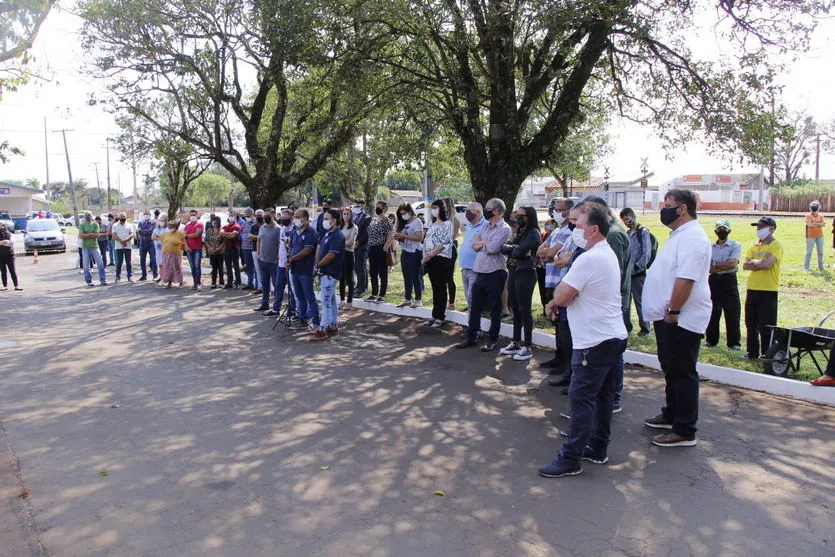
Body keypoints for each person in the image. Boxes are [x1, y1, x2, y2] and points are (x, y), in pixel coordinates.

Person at [538, 202, 628, 478]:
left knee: (581, 398)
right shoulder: (604, 253)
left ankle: (571, 458)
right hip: (611, 336)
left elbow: (564, 294)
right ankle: (598, 447)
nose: (574, 229)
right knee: (601, 398)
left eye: (578, 225)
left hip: (594, 341)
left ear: (593, 230)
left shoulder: (589, 258)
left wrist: (553, 302)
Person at [642, 189, 712, 448]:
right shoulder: (680, 235)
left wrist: (674, 311)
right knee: (671, 368)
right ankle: (671, 414)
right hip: (670, 315)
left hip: (681, 317)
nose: (664, 209)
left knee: (682, 372)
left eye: (668, 205)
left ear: (682, 209)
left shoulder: (693, 237)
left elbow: (686, 279)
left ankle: (684, 430)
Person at [457, 198, 511, 351]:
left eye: (488, 208)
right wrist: (483, 243)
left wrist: (482, 244)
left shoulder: (505, 228)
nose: (486, 210)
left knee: (495, 308)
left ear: (496, 211)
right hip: (480, 271)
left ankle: (492, 340)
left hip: (496, 272)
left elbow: (494, 248)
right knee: (474, 306)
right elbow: (472, 244)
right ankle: (472, 337)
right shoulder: (486, 226)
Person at [499, 206, 541, 361]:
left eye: (520, 215)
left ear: (528, 216)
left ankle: (527, 346)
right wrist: (516, 249)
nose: (516, 218)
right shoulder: (518, 231)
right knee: (514, 308)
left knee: (525, 309)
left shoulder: (533, 233)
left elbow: (518, 251)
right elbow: (503, 247)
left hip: (526, 273)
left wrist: (516, 249)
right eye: (516, 215)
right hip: (514, 271)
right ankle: (516, 341)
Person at [538, 198, 574, 369]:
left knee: (562, 323)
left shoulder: (569, 232)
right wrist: (548, 253)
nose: (556, 213)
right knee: (556, 323)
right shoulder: (557, 230)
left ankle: (565, 362)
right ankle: (559, 357)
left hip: (561, 281)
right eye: (555, 209)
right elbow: (540, 251)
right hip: (549, 279)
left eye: (560, 210)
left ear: (569, 211)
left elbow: (552, 254)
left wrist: (549, 253)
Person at [742, 216, 783, 359]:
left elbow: (767, 264)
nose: (758, 230)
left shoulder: (776, 245)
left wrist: (755, 263)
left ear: (771, 229)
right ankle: (752, 353)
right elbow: (745, 265)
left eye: (761, 227)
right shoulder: (754, 245)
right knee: (750, 323)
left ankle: (767, 354)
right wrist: (758, 263)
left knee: (767, 326)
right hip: (752, 288)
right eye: (757, 227)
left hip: (768, 290)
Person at [705, 219, 742, 350]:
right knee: (713, 311)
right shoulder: (710, 247)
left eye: (724, 229)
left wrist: (716, 265)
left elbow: (732, 264)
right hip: (714, 280)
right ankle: (711, 340)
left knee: (732, 311)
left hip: (729, 280)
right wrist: (722, 265)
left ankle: (734, 343)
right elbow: (707, 268)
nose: (722, 231)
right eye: (719, 229)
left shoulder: (735, 245)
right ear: (715, 231)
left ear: (729, 230)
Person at [311, 209, 345, 340]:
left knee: (325, 302)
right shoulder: (327, 234)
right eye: (324, 218)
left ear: (334, 220)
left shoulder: (337, 235)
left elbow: (331, 255)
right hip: (325, 272)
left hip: (331, 272)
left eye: (327, 218)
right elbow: (320, 250)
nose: (324, 221)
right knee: (330, 300)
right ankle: (332, 325)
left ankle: (322, 329)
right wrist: (317, 264)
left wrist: (318, 265)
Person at [422, 199, 456, 326]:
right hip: (430, 259)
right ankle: (434, 314)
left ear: (442, 209)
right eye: (433, 207)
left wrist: (430, 255)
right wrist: (425, 255)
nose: (434, 210)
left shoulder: (447, 224)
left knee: (441, 288)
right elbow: (426, 242)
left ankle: (440, 316)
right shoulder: (431, 225)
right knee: (435, 288)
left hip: (441, 259)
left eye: (436, 207)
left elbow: (444, 243)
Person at [620, 207, 652, 336]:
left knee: (640, 301)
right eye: (624, 220)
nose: (627, 222)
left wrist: (637, 267)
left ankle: (645, 328)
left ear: (633, 217)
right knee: (626, 301)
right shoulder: (627, 233)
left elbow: (646, 254)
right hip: (627, 273)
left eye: (628, 219)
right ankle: (626, 326)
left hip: (638, 273)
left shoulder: (643, 232)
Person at [287, 209, 319, 327]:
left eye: (297, 217)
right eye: (294, 217)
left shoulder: (311, 232)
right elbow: (290, 248)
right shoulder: (294, 231)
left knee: (309, 296)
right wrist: (289, 260)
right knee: (299, 296)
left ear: (305, 218)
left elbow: (307, 250)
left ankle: (316, 321)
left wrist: (292, 259)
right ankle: (302, 319)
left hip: (306, 269)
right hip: (295, 269)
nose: (295, 219)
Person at [394, 203, 425, 308]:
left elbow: (419, 238)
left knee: (415, 276)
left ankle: (418, 300)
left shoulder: (417, 222)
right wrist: (398, 237)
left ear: (410, 211)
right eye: (401, 214)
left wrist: (405, 236)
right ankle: (407, 299)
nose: (403, 215)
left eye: (404, 213)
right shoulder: (403, 222)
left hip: (415, 252)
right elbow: (401, 235)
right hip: (405, 251)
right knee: (406, 276)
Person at [459, 202, 487, 309]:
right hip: (464, 267)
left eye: (469, 211)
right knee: (468, 297)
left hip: (475, 268)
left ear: (478, 212)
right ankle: (471, 321)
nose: (467, 213)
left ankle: (474, 322)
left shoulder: (486, 226)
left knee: (473, 297)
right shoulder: (469, 225)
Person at [364, 201, 394, 303]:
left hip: (381, 248)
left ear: (384, 209)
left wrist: (384, 249)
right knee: (373, 272)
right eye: (377, 207)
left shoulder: (387, 221)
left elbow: (390, 236)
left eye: (380, 207)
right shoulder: (373, 220)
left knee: (382, 272)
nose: (378, 209)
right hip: (372, 248)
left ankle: (382, 295)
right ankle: (374, 293)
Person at [255, 209, 282, 314]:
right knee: (264, 283)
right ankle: (264, 304)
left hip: (274, 261)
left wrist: (278, 258)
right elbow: (259, 240)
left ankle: (276, 307)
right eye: (264, 214)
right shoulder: (262, 227)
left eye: (268, 214)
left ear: (273, 215)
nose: (265, 216)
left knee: (276, 284)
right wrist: (258, 253)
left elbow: (281, 245)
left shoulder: (278, 229)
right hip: (262, 260)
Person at [440, 197, 459, 310]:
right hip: (438, 251)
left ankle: (451, 303)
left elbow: (451, 238)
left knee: (449, 278)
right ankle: (442, 301)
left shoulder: (455, 220)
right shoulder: (438, 219)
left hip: (449, 251)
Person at [78, 211, 107, 287]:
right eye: (86, 215)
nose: (88, 216)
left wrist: (86, 235)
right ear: (84, 216)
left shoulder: (95, 224)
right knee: (86, 266)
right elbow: (81, 236)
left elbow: (97, 235)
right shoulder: (82, 225)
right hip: (85, 247)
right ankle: (89, 281)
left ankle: (103, 279)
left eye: (89, 215)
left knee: (100, 263)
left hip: (94, 246)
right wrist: (91, 234)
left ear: (92, 216)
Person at [339, 207, 358, 309]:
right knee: (341, 278)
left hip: (349, 254)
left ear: (351, 215)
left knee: (349, 278)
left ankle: (349, 301)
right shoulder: (340, 227)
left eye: (347, 214)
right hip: (340, 254)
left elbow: (351, 243)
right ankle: (342, 300)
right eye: (344, 214)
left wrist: (341, 243)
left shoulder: (354, 227)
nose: (345, 216)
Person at [352, 201, 371, 298]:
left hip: (363, 247)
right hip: (354, 247)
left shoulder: (367, 218)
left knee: (361, 267)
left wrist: (358, 243)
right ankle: (359, 285)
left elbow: (366, 234)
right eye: (355, 205)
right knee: (356, 267)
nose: (355, 207)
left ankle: (362, 289)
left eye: (358, 206)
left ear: (363, 206)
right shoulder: (354, 217)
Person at [160, 219, 186, 288]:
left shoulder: (180, 234)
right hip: (166, 253)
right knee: (168, 268)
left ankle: (181, 282)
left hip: (175, 254)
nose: (170, 228)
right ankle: (169, 282)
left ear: (176, 227)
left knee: (177, 267)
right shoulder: (166, 234)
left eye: (172, 227)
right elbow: (162, 241)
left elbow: (183, 243)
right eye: (169, 227)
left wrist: (182, 248)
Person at [220, 213, 242, 289]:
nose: (231, 217)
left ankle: (238, 282)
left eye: (232, 216)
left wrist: (225, 234)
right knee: (228, 266)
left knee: (236, 266)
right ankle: (229, 282)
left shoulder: (237, 226)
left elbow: (233, 236)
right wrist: (228, 234)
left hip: (234, 249)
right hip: (227, 249)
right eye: (230, 216)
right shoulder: (226, 226)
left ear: (236, 217)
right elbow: (220, 233)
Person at [184, 209, 204, 290]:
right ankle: (195, 283)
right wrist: (186, 246)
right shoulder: (187, 225)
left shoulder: (200, 224)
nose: (192, 216)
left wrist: (187, 235)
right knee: (192, 267)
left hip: (197, 248)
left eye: (194, 215)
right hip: (189, 248)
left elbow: (196, 234)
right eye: (191, 215)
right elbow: (183, 237)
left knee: (197, 266)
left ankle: (198, 283)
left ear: (197, 216)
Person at [239, 208, 259, 290]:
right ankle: (250, 283)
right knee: (249, 267)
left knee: (256, 267)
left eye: (248, 215)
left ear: (252, 214)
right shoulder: (244, 223)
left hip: (254, 248)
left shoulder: (256, 223)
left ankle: (257, 285)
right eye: (245, 215)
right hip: (245, 247)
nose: (246, 216)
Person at [111, 212, 134, 283]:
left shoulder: (129, 225)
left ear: (125, 218)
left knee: (128, 262)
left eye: (123, 218)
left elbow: (131, 234)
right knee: (119, 262)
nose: (122, 219)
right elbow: (114, 236)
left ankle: (129, 276)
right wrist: (121, 241)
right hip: (118, 247)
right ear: (119, 218)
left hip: (128, 246)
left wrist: (125, 240)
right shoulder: (115, 225)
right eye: (121, 218)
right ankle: (117, 277)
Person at [137, 210, 158, 281]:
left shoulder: (153, 223)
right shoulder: (140, 223)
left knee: (153, 259)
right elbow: (139, 232)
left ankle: (155, 275)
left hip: (151, 243)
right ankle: (144, 275)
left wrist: (142, 231)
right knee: (142, 259)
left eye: (147, 214)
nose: (146, 215)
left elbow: (151, 231)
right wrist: (143, 232)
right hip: (142, 243)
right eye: (145, 214)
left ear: (150, 215)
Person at [205, 216, 225, 288]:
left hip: (220, 252)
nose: (215, 223)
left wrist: (219, 248)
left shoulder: (222, 230)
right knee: (214, 268)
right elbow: (206, 240)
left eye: (216, 221)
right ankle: (213, 283)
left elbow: (224, 241)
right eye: (213, 221)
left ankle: (221, 283)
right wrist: (210, 248)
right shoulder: (209, 230)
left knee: (220, 268)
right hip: (212, 252)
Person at [0, 223, 22, 291]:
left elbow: (11, 243)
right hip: (0, 256)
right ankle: (5, 286)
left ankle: (16, 285)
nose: (2, 229)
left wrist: (3, 242)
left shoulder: (10, 234)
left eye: (2, 227)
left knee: (12, 270)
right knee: (3, 271)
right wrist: (5, 242)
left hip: (10, 255)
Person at [804, 200, 825, 271]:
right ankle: (806, 268)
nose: (814, 212)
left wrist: (814, 223)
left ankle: (821, 267)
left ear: (818, 208)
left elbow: (824, 224)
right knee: (809, 252)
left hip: (820, 236)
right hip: (810, 236)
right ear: (810, 208)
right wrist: (819, 224)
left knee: (821, 252)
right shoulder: (808, 215)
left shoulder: (821, 215)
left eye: (815, 210)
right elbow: (809, 225)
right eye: (813, 210)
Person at [152, 216, 167, 282]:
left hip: (166, 249)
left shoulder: (167, 229)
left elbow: (166, 237)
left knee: (166, 264)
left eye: (163, 220)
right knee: (160, 264)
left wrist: (157, 237)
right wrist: (160, 238)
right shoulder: (156, 229)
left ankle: (166, 278)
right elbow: (152, 237)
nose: (161, 222)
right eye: (160, 220)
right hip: (158, 249)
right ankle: (162, 278)